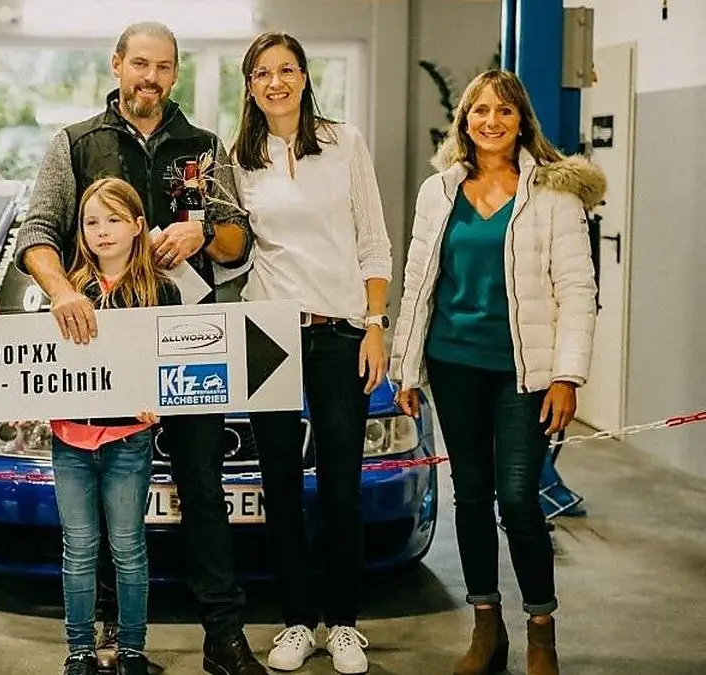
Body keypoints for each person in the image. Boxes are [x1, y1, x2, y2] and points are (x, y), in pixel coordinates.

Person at [14, 21, 266, 675]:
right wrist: (61, 294)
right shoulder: (76, 144)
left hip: (190, 343)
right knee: (102, 500)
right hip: (101, 350)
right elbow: (37, 229)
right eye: (140, 64)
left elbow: (240, 241)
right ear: (118, 64)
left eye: (163, 68)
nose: (149, 78)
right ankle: (101, 637)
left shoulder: (204, 146)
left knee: (203, 487)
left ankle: (223, 633)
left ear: (174, 75)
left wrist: (204, 231)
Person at [390, 70, 602, 675]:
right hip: (453, 362)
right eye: (479, 111)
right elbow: (419, 285)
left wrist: (568, 376)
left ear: (521, 122)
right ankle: (487, 628)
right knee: (472, 499)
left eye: (503, 112)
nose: (490, 121)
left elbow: (577, 290)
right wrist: (407, 368)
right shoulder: (438, 192)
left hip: (524, 375)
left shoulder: (553, 195)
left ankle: (541, 631)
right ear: (464, 121)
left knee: (517, 496)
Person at [229, 32, 392, 675]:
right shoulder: (239, 160)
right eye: (263, 73)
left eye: (287, 70)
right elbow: (233, 250)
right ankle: (297, 620)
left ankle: (344, 624)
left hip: (340, 331)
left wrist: (375, 323)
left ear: (303, 77)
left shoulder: (344, 142)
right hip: (269, 331)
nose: (276, 82)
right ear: (249, 86)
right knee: (279, 483)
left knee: (341, 487)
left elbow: (374, 240)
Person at [51, 177, 179, 675]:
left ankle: (131, 651)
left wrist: (159, 402)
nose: (102, 232)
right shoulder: (68, 291)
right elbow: (48, 365)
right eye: (91, 222)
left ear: (138, 226)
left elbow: (171, 366)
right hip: (70, 441)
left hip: (129, 440)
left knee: (128, 546)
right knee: (79, 547)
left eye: (114, 220)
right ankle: (79, 651)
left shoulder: (162, 291)